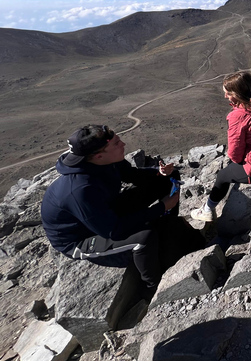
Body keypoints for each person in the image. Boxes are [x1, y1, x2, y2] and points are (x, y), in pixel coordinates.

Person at [41, 125, 203, 293]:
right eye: (117, 143)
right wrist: (160, 208)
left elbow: (133, 175)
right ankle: (153, 288)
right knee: (143, 238)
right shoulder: (79, 190)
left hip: (104, 212)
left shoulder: (105, 161)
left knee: (169, 179)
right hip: (81, 238)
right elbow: (113, 230)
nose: (123, 144)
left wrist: (158, 172)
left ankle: (167, 230)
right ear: (99, 155)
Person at [191, 71, 251, 222]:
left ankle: (207, 210)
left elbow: (235, 155)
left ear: (238, 93)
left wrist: (239, 159)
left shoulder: (240, 115)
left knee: (223, 176)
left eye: (228, 93)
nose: (225, 97)